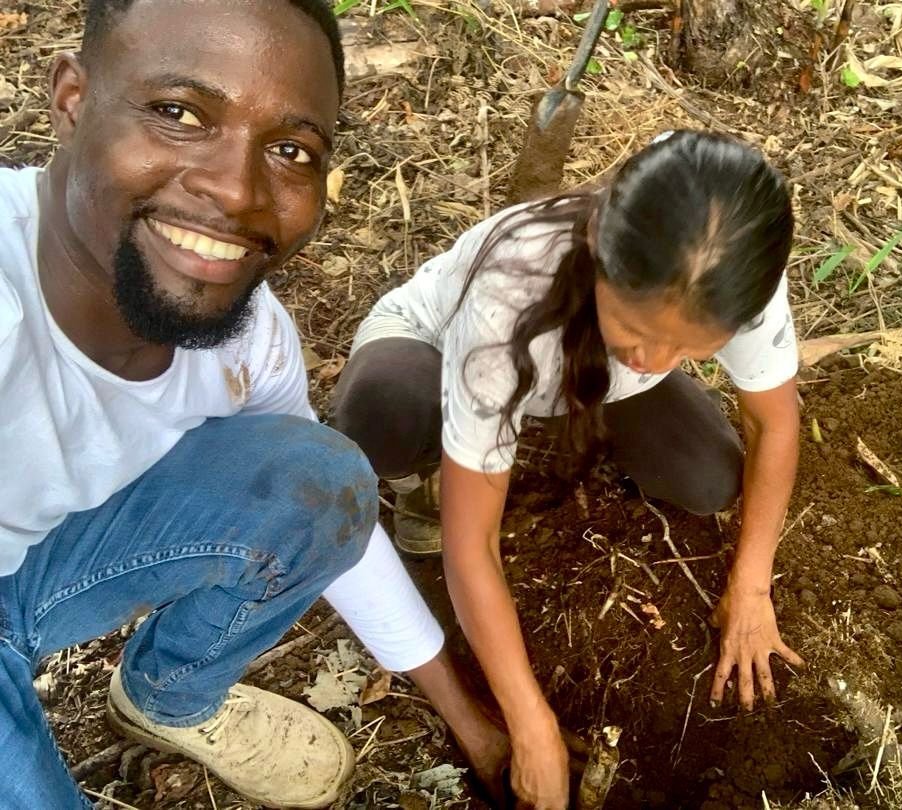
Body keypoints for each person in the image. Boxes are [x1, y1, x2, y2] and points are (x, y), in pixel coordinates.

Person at [0, 1, 508, 808]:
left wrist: (471, 719)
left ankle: (167, 698)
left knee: (323, 477)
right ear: (71, 98)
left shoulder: (247, 339)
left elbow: (318, 518)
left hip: (37, 564)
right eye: (178, 113)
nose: (237, 192)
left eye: (289, 150)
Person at [334, 129, 806, 809]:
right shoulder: (511, 296)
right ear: (598, 259)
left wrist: (753, 587)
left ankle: (544, 433)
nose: (654, 356)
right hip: (437, 357)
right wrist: (530, 724)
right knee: (382, 412)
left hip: (580, 382)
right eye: (638, 329)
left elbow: (772, 420)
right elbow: (472, 549)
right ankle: (427, 473)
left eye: (688, 347)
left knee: (708, 481)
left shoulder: (740, 276)